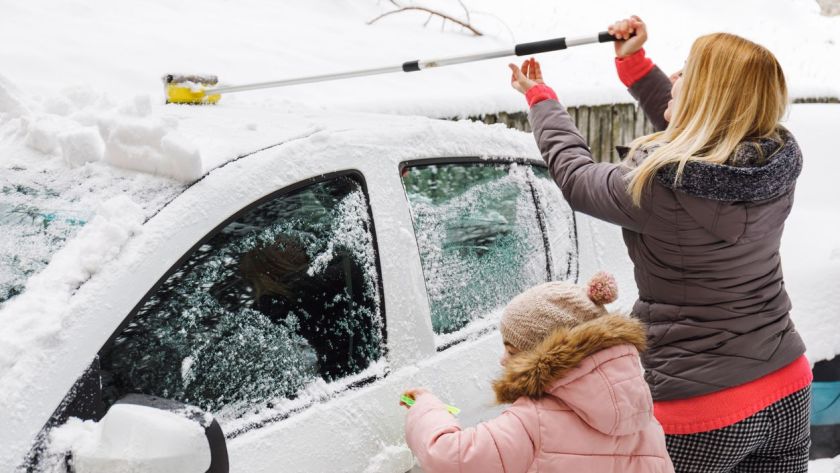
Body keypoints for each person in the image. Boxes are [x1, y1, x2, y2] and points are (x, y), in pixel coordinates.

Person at [507, 15, 812, 473]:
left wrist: (541, 99)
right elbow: (705, 143)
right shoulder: (773, 170)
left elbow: (574, 175)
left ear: (706, 95)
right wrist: (634, 65)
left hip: (700, 411)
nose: (676, 77)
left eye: (687, 72)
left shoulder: (654, 189)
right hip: (786, 387)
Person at [402, 273, 674, 473]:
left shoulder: (532, 422)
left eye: (512, 350)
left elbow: (448, 456)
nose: (502, 360)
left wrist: (427, 408)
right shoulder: (645, 421)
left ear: (543, 354)